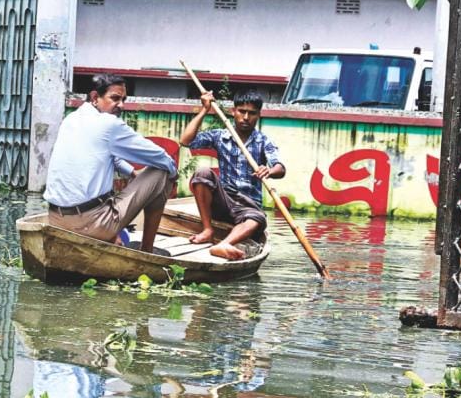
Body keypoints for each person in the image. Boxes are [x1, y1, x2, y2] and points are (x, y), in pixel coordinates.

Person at [44, 74, 176, 253]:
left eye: (123, 99)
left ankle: (110, 233)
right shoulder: (109, 124)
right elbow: (160, 157)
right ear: (94, 97)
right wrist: (173, 172)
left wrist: (132, 173)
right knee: (163, 172)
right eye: (115, 98)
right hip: (92, 224)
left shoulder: (71, 120)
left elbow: (106, 154)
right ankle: (147, 249)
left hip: (55, 220)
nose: (121, 105)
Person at [179, 89, 285, 260]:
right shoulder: (220, 136)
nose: (246, 117)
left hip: (248, 205)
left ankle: (224, 244)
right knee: (202, 173)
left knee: (257, 218)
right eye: (242, 111)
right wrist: (204, 109)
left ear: (258, 115)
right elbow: (185, 141)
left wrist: (269, 171)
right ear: (233, 111)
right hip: (224, 199)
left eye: (252, 113)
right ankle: (207, 230)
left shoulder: (264, 141)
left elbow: (280, 168)